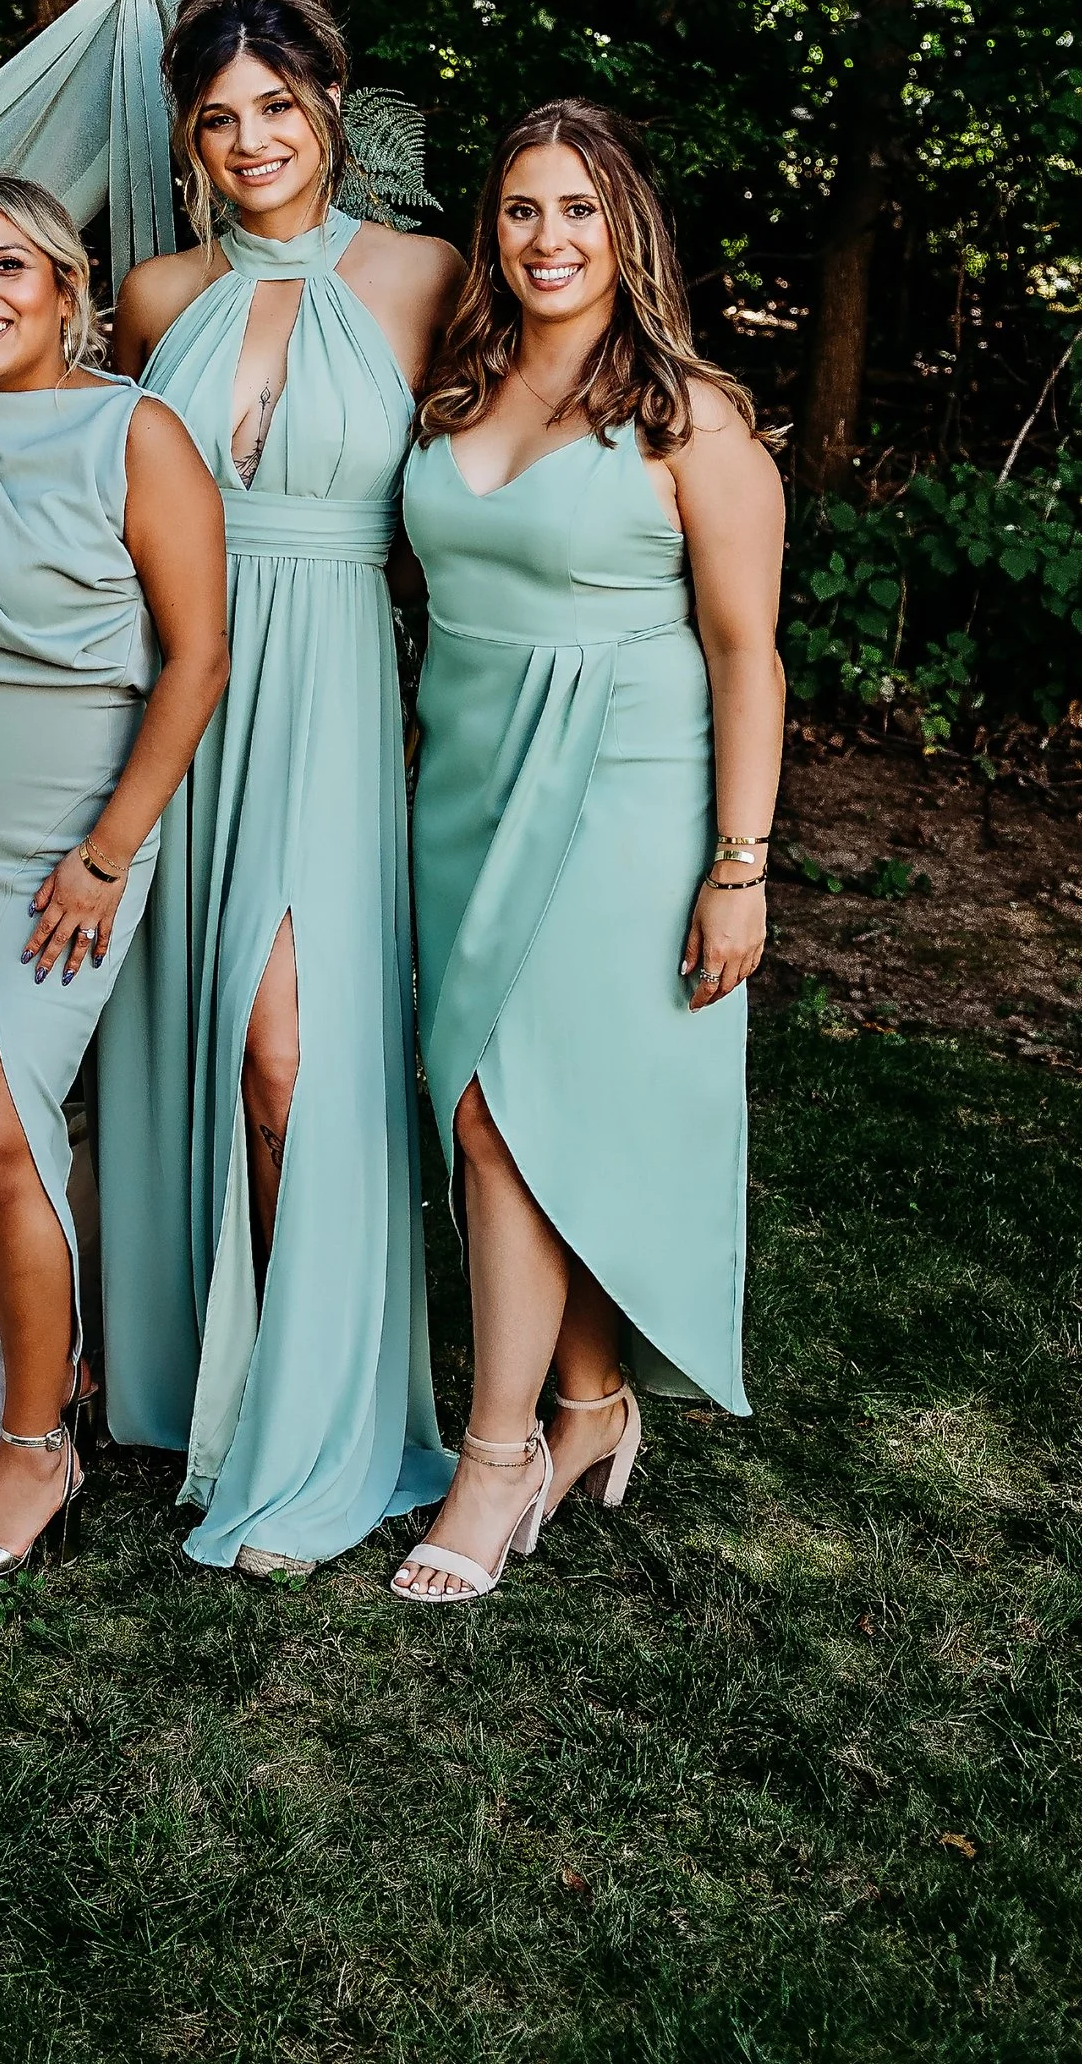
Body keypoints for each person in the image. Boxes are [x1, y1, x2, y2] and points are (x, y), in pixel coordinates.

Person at [391, 100, 784, 1604]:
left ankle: (497, 1459)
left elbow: (749, 656)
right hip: (468, 779)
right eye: (519, 211)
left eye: (578, 211)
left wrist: (737, 866)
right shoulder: (461, 383)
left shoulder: (695, 420)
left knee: (499, 1107)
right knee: (499, 1096)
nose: (547, 240)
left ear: (628, 231)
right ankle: (589, 1402)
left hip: (625, 785)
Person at [98, 0, 460, 1573]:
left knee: (287, 1059)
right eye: (219, 118)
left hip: (325, 693)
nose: (252, 141)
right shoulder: (157, 298)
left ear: (330, 112)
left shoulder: (426, 275)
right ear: (190, 137)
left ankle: (314, 1415)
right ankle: (202, 1386)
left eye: (277, 109)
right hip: (175, 694)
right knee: (170, 1039)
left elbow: (508, 466)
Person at [0, 181, 228, 1588]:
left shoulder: (136, 434)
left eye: (7, 267)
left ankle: (37, 1450)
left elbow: (197, 656)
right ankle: (25, 1372)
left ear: (70, 288)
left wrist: (107, 850)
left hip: (62, 847)